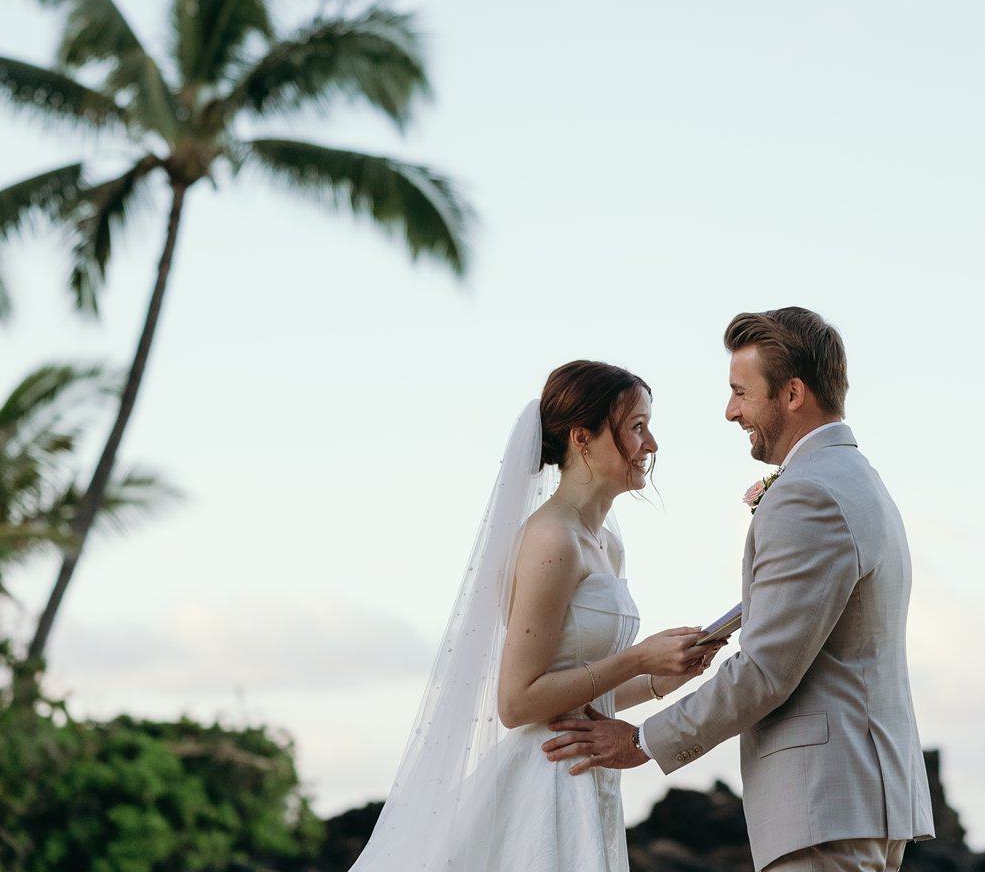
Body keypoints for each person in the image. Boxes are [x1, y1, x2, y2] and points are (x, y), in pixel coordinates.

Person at [543, 309, 936, 872]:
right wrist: (720, 632)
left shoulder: (808, 495)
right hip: (858, 799)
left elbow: (767, 669)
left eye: (740, 393)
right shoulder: (856, 478)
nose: (730, 411)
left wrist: (641, 742)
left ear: (793, 392)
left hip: (825, 805)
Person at [350, 360, 719, 871]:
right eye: (636, 427)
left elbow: (585, 696)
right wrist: (637, 658)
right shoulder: (551, 538)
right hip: (544, 783)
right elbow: (518, 701)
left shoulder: (607, 544)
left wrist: (662, 676)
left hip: (586, 775)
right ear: (582, 438)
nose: (651, 444)